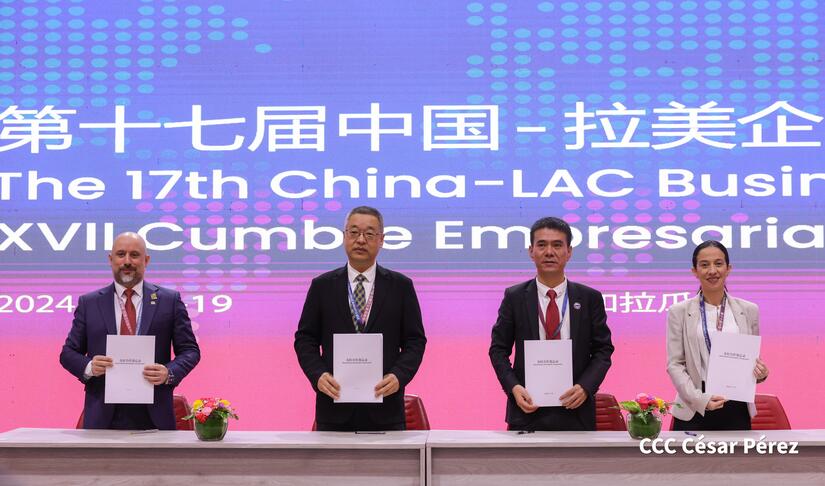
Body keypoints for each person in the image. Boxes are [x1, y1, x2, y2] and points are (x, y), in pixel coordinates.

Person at [294, 206, 427, 431]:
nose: (361, 240)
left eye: (370, 234)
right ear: (344, 236)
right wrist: (318, 375)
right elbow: (305, 339)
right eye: (354, 232)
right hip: (333, 409)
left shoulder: (401, 286)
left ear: (381, 239)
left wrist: (398, 376)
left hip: (386, 409)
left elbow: (415, 341)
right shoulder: (322, 286)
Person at [59, 232, 200, 429]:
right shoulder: (89, 303)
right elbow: (68, 353)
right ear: (111, 259)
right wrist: (90, 366)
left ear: (146, 260)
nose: (127, 261)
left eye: (134, 255)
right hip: (102, 414)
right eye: (121, 254)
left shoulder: (169, 301)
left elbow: (190, 350)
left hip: (155, 413)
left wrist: (169, 372)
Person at [489, 217, 614, 431]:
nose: (549, 252)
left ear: (569, 251)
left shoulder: (589, 298)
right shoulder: (515, 297)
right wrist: (513, 387)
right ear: (531, 251)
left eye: (557, 245)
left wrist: (585, 387)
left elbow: (603, 350)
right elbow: (498, 350)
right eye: (542, 245)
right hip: (526, 410)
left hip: (576, 410)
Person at [667, 240, 769, 430]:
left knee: (738, 452)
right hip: (694, 406)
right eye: (705, 265)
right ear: (695, 271)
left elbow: (751, 359)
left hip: (736, 404)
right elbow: (675, 364)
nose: (712, 270)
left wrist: (760, 373)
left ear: (728, 268)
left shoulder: (749, 310)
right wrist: (700, 399)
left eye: (719, 263)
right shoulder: (679, 311)